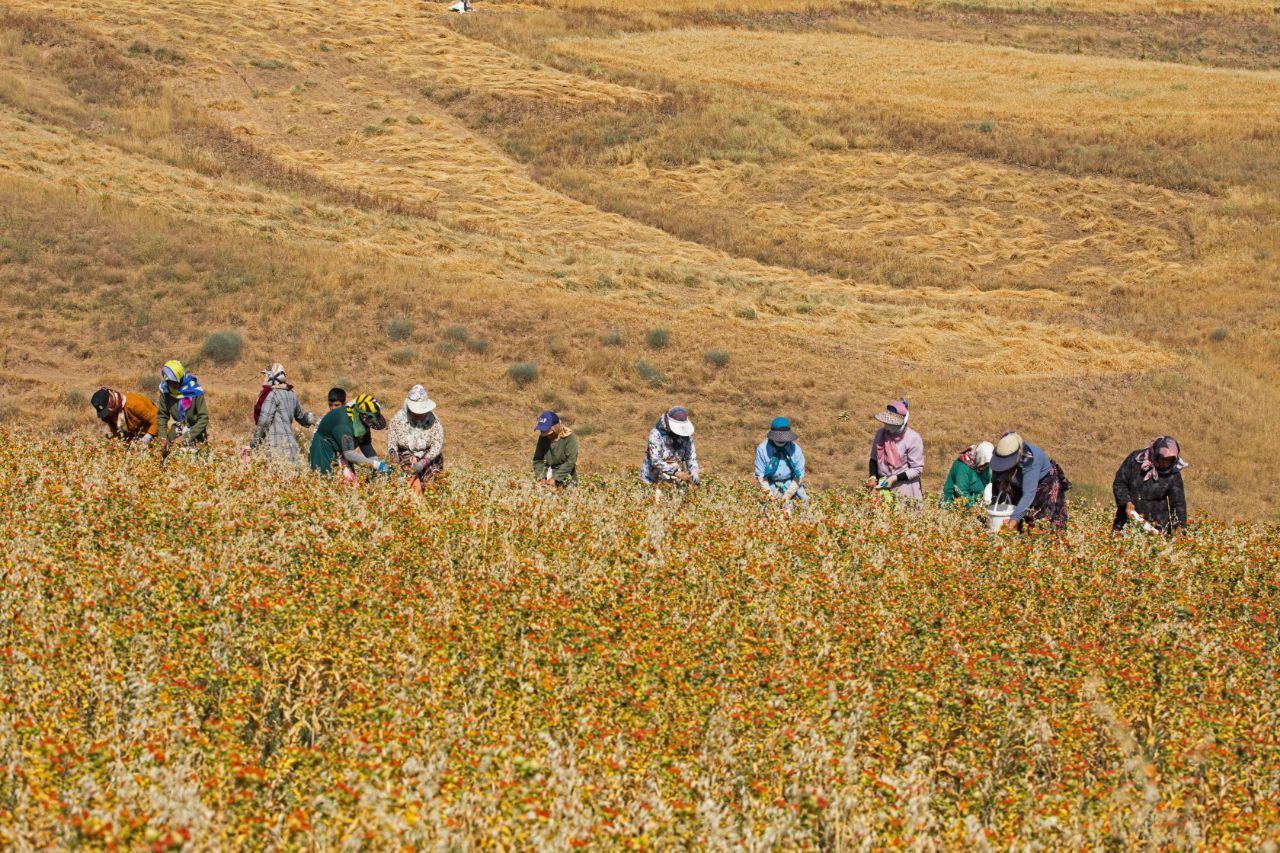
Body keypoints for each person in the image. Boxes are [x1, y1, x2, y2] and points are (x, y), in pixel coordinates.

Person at [989, 432, 1071, 531]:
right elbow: (998, 467)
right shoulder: (1006, 445)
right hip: (1020, 481)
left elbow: (1028, 494)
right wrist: (1003, 480)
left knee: (1043, 526)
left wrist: (1013, 521)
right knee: (1019, 516)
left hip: (1044, 487)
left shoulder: (1031, 462)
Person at [1112, 436, 1188, 535]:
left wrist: (1179, 529)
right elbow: (1119, 482)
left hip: (1157, 527)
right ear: (1156, 454)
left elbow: (1178, 504)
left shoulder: (1173, 473)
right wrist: (1126, 502)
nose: (1166, 463)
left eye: (1170, 460)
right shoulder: (1136, 460)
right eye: (1164, 459)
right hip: (1127, 520)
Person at [309, 393, 390, 479]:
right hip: (323, 450)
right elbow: (349, 454)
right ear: (359, 415)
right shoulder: (343, 423)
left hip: (342, 451)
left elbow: (366, 445)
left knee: (349, 484)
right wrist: (376, 465)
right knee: (326, 481)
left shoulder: (362, 422)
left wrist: (377, 463)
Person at [249, 363, 316, 467]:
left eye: (266, 375)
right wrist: (311, 419)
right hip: (291, 446)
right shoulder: (291, 394)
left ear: (271, 376)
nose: (265, 378)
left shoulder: (272, 395)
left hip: (275, 446)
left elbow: (265, 421)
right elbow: (302, 417)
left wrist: (255, 441)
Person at [387, 384, 445, 491]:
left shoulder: (433, 421)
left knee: (431, 490)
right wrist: (395, 461)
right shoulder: (397, 421)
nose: (419, 415)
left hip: (429, 458)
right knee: (410, 487)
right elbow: (392, 445)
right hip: (404, 458)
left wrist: (422, 462)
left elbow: (437, 445)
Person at [866, 398, 923, 502]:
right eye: (887, 423)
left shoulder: (913, 438)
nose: (887, 427)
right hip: (882, 486)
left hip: (904, 488)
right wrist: (873, 477)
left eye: (892, 424)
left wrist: (893, 479)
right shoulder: (880, 434)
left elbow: (916, 469)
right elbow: (874, 459)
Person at [155, 360, 209, 454]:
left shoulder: (195, 391)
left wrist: (186, 437)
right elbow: (162, 415)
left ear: (181, 377)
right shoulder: (165, 390)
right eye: (169, 382)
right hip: (176, 433)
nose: (172, 385)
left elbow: (203, 418)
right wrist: (162, 438)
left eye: (174, 382)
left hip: (196, 434)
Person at [641, 406, 700, 487]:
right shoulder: (656, 435)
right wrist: (676, 472)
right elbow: (656, 461)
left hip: (675, 482)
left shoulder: (687, 437)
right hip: (653, 480)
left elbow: (691, 457)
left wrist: (694, 471)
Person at [755, 417, 807, 503]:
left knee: (804, 504)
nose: (781, 440)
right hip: (770, 484)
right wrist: (770, 497)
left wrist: (787, 496)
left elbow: (799, 476)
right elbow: (760, 476)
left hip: (791, 484)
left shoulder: (796, 450)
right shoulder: (762, 449)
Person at [90, 387, 157, 444]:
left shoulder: (133, 404)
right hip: (138, 441)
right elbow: (117, 435)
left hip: (157, 434)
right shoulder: (110, 416)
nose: (107, 414)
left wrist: (147, 437)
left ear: (111, 402)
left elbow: (158, 420)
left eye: (107, 411)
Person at [940, 441, 994, 508]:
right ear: (980, 457)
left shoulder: (984, 463)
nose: (986, 466)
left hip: (977, 502)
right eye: (985, 464)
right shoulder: (962, 467)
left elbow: (988, 481)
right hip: (957, 505)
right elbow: (961, 493)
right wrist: (976, 509)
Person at [532, 410, 578, 487]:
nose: (546, 435)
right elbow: (537, 459)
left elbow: (571, 462)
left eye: (548, 432)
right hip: (547, 475)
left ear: (555, 428)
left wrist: (555, 478)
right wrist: (541, 477)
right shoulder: (543, 438)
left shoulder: (569, 437)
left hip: (566, 476)